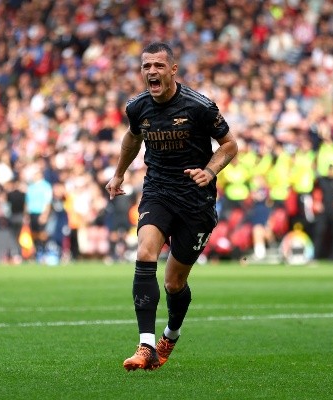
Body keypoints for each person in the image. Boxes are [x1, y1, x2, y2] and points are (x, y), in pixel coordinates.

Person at [106, 42, 238, 371]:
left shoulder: (200, 106)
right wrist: (118, 174)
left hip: (196, 200)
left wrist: (209, 171)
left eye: (159, 66)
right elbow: (132, 139)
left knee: (174, 283)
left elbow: (230, 145)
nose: (152, 71)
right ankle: (145, 345)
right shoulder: (137, 107)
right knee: (145, 252)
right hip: (158, 191)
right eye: (146, 66)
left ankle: (171, 334)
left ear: (173, 70)